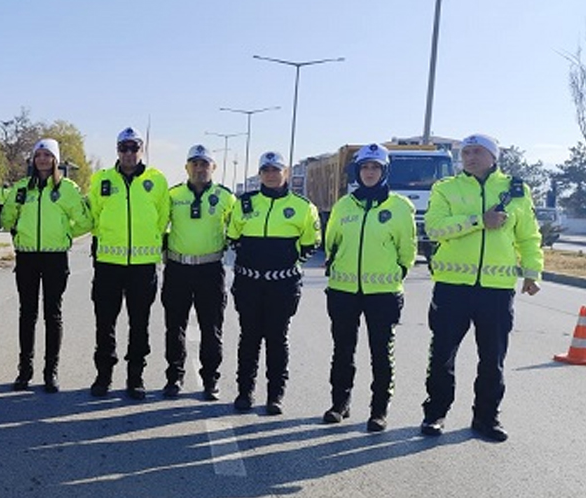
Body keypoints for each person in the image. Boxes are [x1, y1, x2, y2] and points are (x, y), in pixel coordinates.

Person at [420, 134, 542, 442]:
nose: (470, 157)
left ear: (493, 156)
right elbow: (434, 228)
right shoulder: (446, 188)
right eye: (466, 152)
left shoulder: (516, 190)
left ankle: (486, 418)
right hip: (452, 288)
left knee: (492, 358)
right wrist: (478, 220)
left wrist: (532, 272)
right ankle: (435, 414)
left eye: (477, 152)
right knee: (442, 356)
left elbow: (528, 236)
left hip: (496, 290)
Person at [321, 144, 416, 431]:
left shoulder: (399, 207)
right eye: (365, 167)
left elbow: (407, 250)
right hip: (343, 291)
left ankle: (378, 410)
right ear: (358, 172)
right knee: (342, 351)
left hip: (383, 294)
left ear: (384, 171)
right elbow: (331, 243)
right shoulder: (344, 205)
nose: (370, 172)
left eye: (376, 167)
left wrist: (397, 271)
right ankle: (340, 404)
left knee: (381, 353)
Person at [228, 151, 319, 415]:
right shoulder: (244, 203)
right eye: (266, 170)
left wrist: (282, 265)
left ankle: (275, 395)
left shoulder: (303, 206)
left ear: (285, 173)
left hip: (283, 286)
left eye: (276, 170)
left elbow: (310, 244)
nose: (271, 174)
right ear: (260, 174)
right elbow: (233, 237)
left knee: (277, 340)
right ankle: (245, 392)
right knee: (249, 339)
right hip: (249, 284)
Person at [0, 138, 92, 393]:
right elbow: (6, 219)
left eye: (47, 155)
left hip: (55, 257)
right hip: (27, 256)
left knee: (53, 314)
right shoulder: (21, 188)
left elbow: (85, 221)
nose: (42, 159)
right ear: (33, 159)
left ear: (56, 160)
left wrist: (64, 235)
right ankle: (24, 370)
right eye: (38, 154)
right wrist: (16, 223)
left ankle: (51, 371)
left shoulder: (68, 189)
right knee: (27, 314)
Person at [88, 127, 170, 399]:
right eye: (123, 148)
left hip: (143, 265)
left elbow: (162, 218)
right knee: (105, 323)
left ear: (141, 150)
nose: (128, 153)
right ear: (117, 150)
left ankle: (135, 377)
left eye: (134, 148)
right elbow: (95, 216)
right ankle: (104, 375)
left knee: (140, 324)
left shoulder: (156, 180)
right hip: (108, 264)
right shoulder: (101, 179)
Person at [162, 145, 235, 401]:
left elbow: (236, 229)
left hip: (210, 269)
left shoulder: (226, 197)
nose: (199, 168)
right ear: (186, 167)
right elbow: (161, 226)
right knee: (174, 327)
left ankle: (210, 380)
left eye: (205, 164)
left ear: (213, 168)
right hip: (178, 268)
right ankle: (174, 376)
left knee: (211, 327)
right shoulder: (172, 195)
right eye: (195, 163)